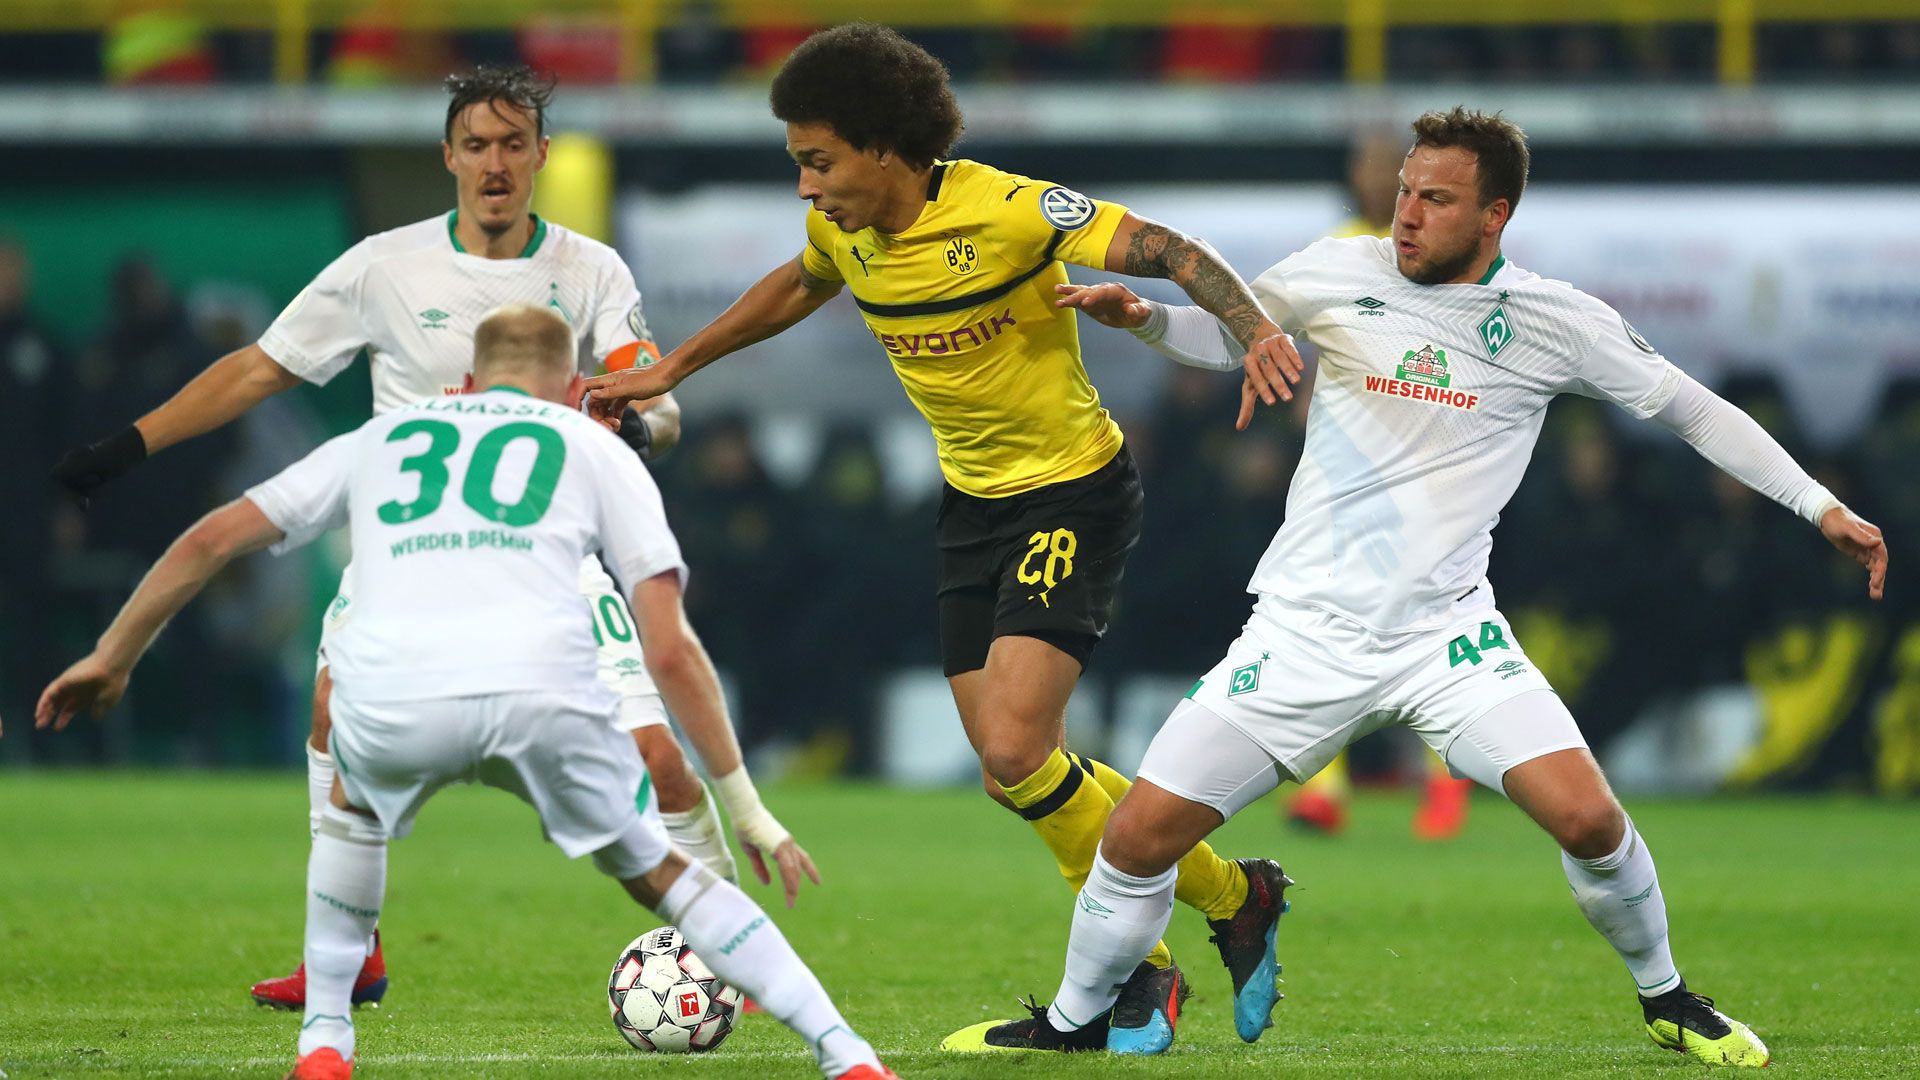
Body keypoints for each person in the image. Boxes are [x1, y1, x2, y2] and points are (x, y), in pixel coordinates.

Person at [947, 107, 1887, 1065]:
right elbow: (1230, 340)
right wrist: (1147, 319)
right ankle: (1071, 1022)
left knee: (1592, 820)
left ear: (1494, 216)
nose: (1405, 215)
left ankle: (1669, 998)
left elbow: (1694, 410)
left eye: (1434, 200)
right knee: (1139, 838)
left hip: (1448, 639)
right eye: (1403, 191)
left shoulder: (1553, 323)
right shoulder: (1334, 271)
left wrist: (1820, 508)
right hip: (1303, 634)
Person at [583, 22, 1297, 1055]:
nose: (806, 187)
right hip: (972, 509)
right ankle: (1232, 900)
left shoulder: (1008, 211)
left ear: (883, 146)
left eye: (817, 161)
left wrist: (1258, 329)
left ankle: (1136, 977)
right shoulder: (847, 230)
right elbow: (799, 281)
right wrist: (673, 367)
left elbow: (1174, 251)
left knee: (1012, 746)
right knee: (1019, 769)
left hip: (1071, 494)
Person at [47, 65, 787, 1011]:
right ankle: (353, 953)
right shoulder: (381, 266)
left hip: (545, 558)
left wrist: (635, 424)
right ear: (447, 156)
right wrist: (129, 445)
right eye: (475, 145)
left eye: (513, 144)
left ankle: (731, 942)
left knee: (655, 756)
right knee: (329, 722)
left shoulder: (590, 268)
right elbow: (257, 371)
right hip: (406, 557)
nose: (494, 163)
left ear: (541, 158)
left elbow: (656, 396)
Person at [15, 305, 894, 1080]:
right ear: (571, 390)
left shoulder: (384, 440)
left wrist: (112, 655)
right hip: (543, 696)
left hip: (400, 698)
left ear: (467, 382)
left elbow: (209, 541)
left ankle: (326, 1039)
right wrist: (746, 806)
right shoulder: (592, 444)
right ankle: (846, 1054)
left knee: (352, 805)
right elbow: (670, 645)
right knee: (661, 873)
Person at [1284, 128, 1480, 841]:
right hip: (1350, 473)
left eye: (1387, 170)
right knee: (1320, 619)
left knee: (1425, 624)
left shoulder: (1449, 255)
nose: (1375, 181)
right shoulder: (1339, 248)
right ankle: (1324, 785)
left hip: (1431, 469)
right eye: (1362, 166)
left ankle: (1444, 781)